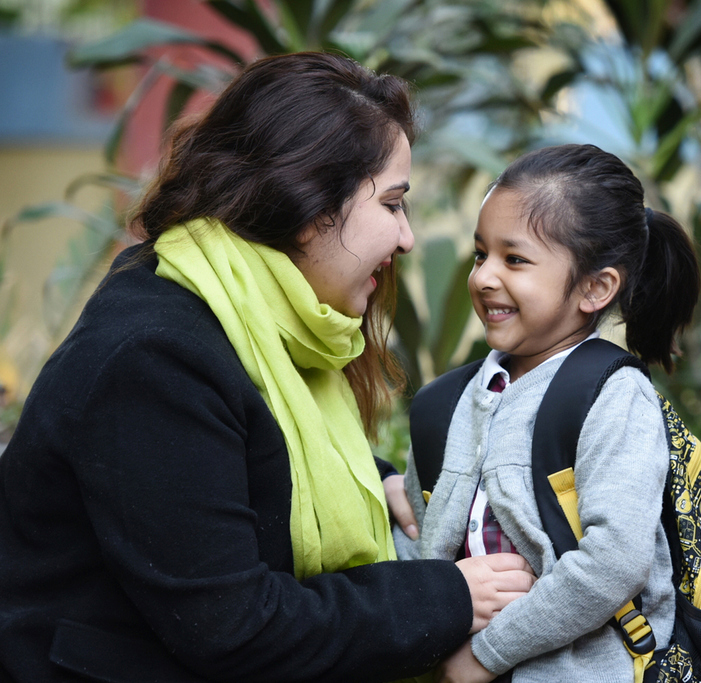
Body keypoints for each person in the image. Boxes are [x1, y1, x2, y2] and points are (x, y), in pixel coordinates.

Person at [0, 52, 534, 683]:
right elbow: (234, 628)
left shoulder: (259, 313)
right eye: (392, 204)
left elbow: (252, 468)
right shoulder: (156, 356)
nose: (407, 238)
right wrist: (449, 596)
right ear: (309, 203)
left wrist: (379, 483)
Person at [395, 143, 701, 683]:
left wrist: (486, 655)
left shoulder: (613, 395)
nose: (485, 277)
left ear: (595, 287)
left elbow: (614, 562)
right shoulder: (446, 404)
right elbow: (420, 542)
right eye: (480, 254)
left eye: (515, 259)